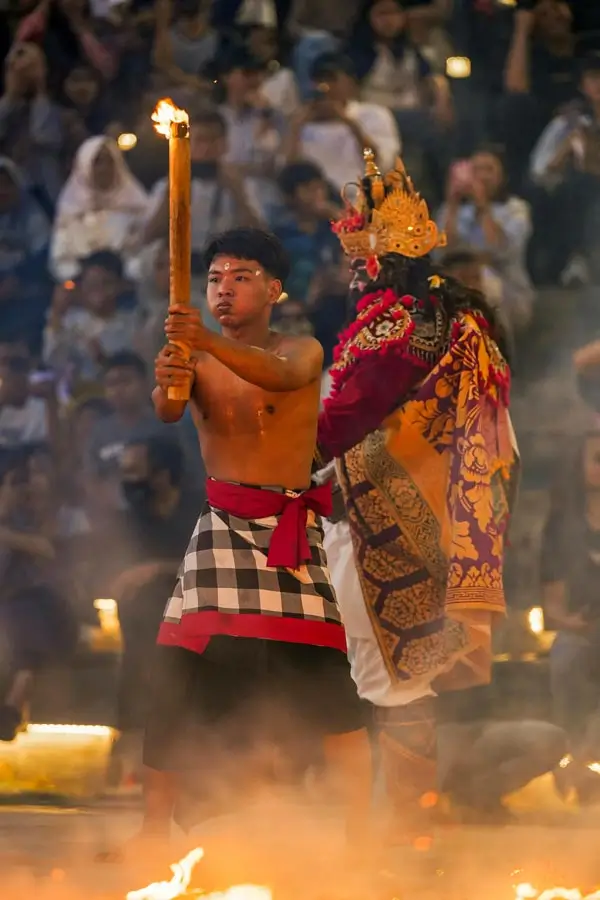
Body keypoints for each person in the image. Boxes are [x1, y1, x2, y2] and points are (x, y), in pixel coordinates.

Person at [114, 227, 371, 856]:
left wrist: (203, 342)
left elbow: (281, 378)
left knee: (329, 688)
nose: (223, 290)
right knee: (174, 674)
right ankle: (152, 830)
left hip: (289, 531)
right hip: (221, 530)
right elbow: (168, 409)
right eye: (214, 279)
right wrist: (170, 373)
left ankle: (361, 836)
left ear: (275, 289)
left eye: (241, 277)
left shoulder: (302, 351)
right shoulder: (196, 356)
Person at [316, 150, 518, 843]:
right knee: (386, 679)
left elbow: (346, 419)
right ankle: (389, 829)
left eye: (361, 261)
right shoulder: (418, 321)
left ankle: (404, 833)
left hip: (387, 523)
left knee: (393, 681)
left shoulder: (399, 325)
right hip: (393, 516)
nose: (353, 274)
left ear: (385, 262)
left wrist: (283, 452)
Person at [438, 148, 534, 331]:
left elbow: (498, 248)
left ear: (502, 176)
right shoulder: (451, 210)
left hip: (507, 290)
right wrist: (452, 203)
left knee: (482, 281)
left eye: (488, 169)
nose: (481, 176)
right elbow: (443, 251)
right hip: (458, 285)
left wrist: (482, 205)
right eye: (475, 170)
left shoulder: (516, 209)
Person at [50, 136, 149, 281]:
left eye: (110, 161)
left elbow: (144, 254)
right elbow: (59, 259)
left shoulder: (135, 205)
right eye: (98, 162)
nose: (105, 168)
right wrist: (84, 277)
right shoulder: (71, 209)